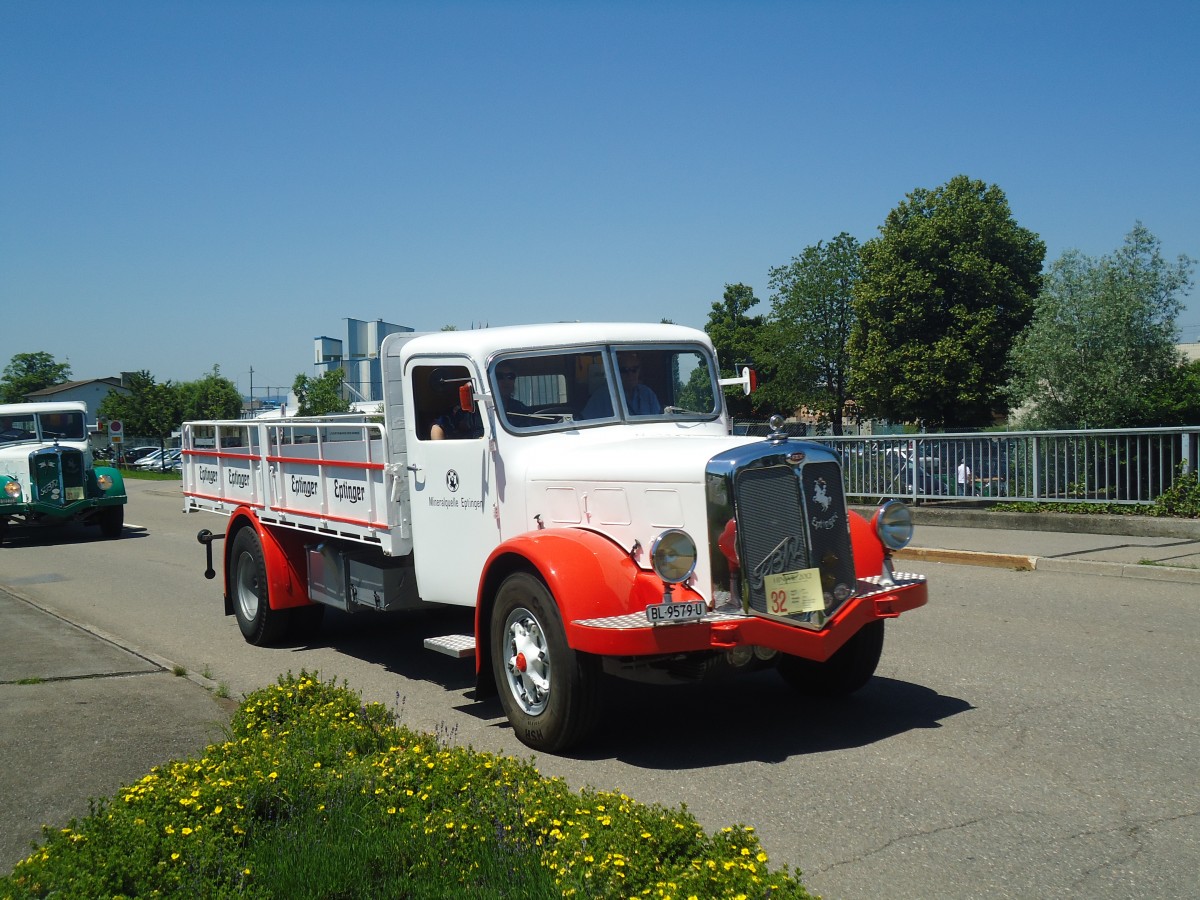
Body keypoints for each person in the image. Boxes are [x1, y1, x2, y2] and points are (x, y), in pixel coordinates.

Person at [581, 351, 661, 419]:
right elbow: (583, 424)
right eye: (624, 370)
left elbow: (659, 422)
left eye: (634, 369)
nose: (630, 374)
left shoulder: (647, 393)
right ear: (616, 372)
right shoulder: (601, 396)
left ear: (639, 371)